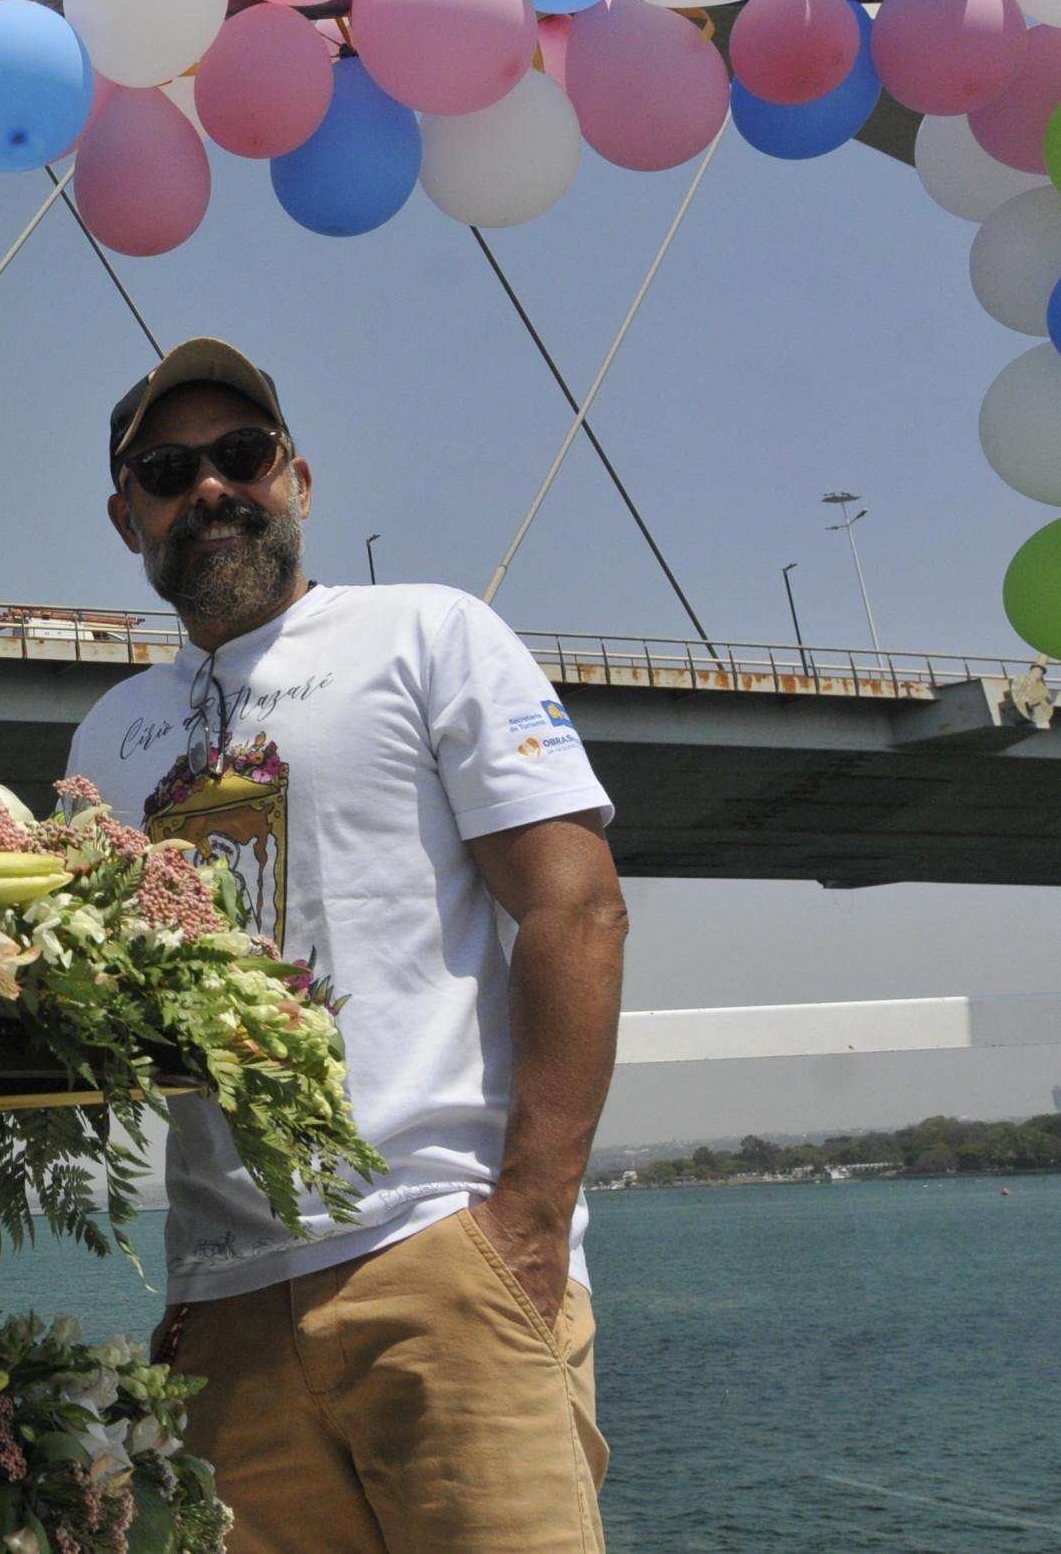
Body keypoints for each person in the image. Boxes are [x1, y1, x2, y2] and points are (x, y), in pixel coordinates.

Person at [63, 340, 629, 1554]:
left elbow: (576, 907)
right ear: (127, 518)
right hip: (223, 1304)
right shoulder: (107, 735)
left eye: (241, 453)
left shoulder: (429, 633)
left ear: (298, 479)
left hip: (440, 1249)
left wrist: (529, 1224)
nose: (210, 486)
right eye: (167, 470)